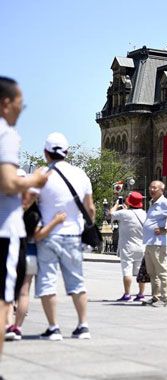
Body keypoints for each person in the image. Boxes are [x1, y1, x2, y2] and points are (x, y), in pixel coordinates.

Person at [0, 76, 48, 354]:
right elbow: (7, 183)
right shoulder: (6, 133)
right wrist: (34, 180)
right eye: (20, 105)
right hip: (5, 231)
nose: (21, 110)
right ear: (6, 104)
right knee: (5, 301)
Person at [36, 132, 95, 340]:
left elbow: (27, 202)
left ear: (46, 153)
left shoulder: (41, 175)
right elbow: (90, 208)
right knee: (77, 282)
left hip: (48, 235)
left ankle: (53, 328)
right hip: (73, 236)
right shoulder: (81, 175)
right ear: (67, 152)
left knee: (47, 282)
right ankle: (83, 325)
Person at [6, 184, 66, 341]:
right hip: (29, 254)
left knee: (9, 293)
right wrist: (55, 221)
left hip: (11, 253)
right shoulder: (35, 215)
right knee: (23, 293)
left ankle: (8, 325)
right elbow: (38, 235)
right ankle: (16, 327)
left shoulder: (10, 211)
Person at [141, 181, 167, 307]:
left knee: (162, 271)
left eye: (154, 188)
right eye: (150, 187)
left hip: (158, 243)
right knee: (152, 272)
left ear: (161, 190)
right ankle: (155, 297)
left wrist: (166, 229)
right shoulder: (153, 203)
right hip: (150, 242)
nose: (151, 189)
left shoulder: (164, 202)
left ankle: (165, 298)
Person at [109, 191, 146, 302]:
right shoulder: (144, 214)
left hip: (127, 247)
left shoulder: (124, 213)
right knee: (140, 272)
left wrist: (116, 205)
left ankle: (127, 294)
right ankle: (140, 294)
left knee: (127, 271)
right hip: (141, 246)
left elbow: (110, 213)